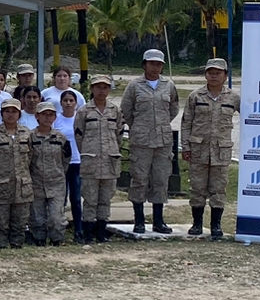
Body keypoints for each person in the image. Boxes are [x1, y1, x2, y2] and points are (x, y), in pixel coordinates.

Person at [120, 48, 180, 235]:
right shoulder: (134, 85)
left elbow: (173, 109)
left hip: (162, 141)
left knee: (161, 179)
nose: (156, 66)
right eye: (152, 63)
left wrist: (160, 124)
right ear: (144, 64)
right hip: (141, 140)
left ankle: (158, 221)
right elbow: (126, 110)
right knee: (139, 179)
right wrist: (140, 125)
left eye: (159, 64)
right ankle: (139, 220)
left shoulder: (168, 85)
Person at [181, 58, 240, 240]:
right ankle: (197, 224)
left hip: (221, 151)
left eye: (218, 72)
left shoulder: (233, 98)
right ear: (205, 74)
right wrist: (186, 146)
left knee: (218, 189)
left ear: (225, 75)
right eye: (210, 72)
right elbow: (186, 123)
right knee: (197, 188)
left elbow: (249, 119)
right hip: (198, 150)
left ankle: (216, 225)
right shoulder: (196, 97)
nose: (214, 75)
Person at [74, 76, 123, 243]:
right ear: (92, 89)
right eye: (98, 87)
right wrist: (88, 151)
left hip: (110, 161)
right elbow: (79, 135)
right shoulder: (84, 111)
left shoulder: (115, 110)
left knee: (105, 199)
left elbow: (119, 135)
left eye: (105, 87)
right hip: (91, 162)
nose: (102, 90)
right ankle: (88, 234)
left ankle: (101, 233)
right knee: (90, 199)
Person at [0, 101, 33, 249]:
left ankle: (17, 247)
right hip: (0, 186)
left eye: (14, 111)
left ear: (19, 114)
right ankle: (1, 249)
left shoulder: (26, 133)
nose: (10, 114)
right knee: (0, 223)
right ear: (1, 114)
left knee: (20, 222)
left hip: (22, 186)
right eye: (7, 111)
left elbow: (30, 157)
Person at [28, 102, 72, 246]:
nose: (47, 118)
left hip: (56, 183)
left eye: (51, 114)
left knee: (56, 217)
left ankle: (57, 240)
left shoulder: (61, 138)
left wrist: (58, 172)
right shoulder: (30, 138)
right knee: (37, 217)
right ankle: (39, 240)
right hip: (36, 183)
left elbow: (66, 159)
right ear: (37, 116)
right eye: (44, 114)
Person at [54, 89, 83, 240]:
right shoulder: (56, 120)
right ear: (61, 103)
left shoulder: (79, 119)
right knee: (61, 198)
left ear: (76, 103)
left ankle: (79, 229)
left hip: (77, 162)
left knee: (76, 198)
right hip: (61, 163)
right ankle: (59, 229)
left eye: (71, 101)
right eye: (65, 101)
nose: (68, 103)